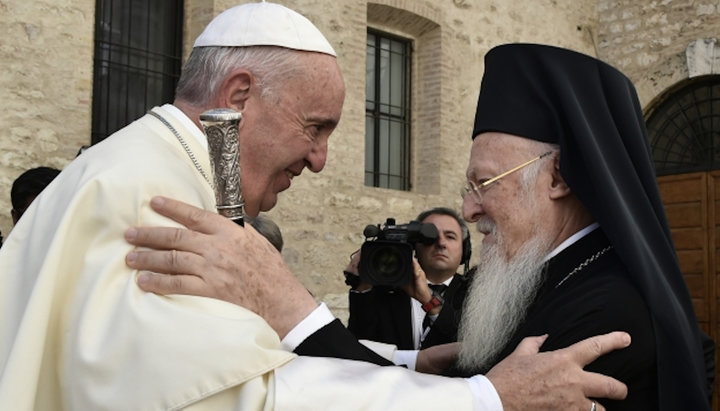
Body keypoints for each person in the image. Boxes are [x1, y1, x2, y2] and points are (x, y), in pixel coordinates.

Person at [0, 4, 628, 410]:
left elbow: (240, 362)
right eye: (316, 127)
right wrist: (485, 401)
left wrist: (407, 362)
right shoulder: (152, 198)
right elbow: (244, 399)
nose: (321, 160)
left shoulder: (151, 169)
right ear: (240, 95)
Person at [450, 43, 709, 410]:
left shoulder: (606, 314)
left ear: (558, 177)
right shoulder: (527, 281)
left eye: (486, 183)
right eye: (469, 187)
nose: (468, 209)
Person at [347, 207, 472, 350]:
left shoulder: (477, 294)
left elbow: (473, 347)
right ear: (414, 247)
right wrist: (362, 284)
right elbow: (358, 348)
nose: (441, 243)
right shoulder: (384, 293)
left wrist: (429, 301)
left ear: (465, 250)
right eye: (430, 237)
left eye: (450, 236)